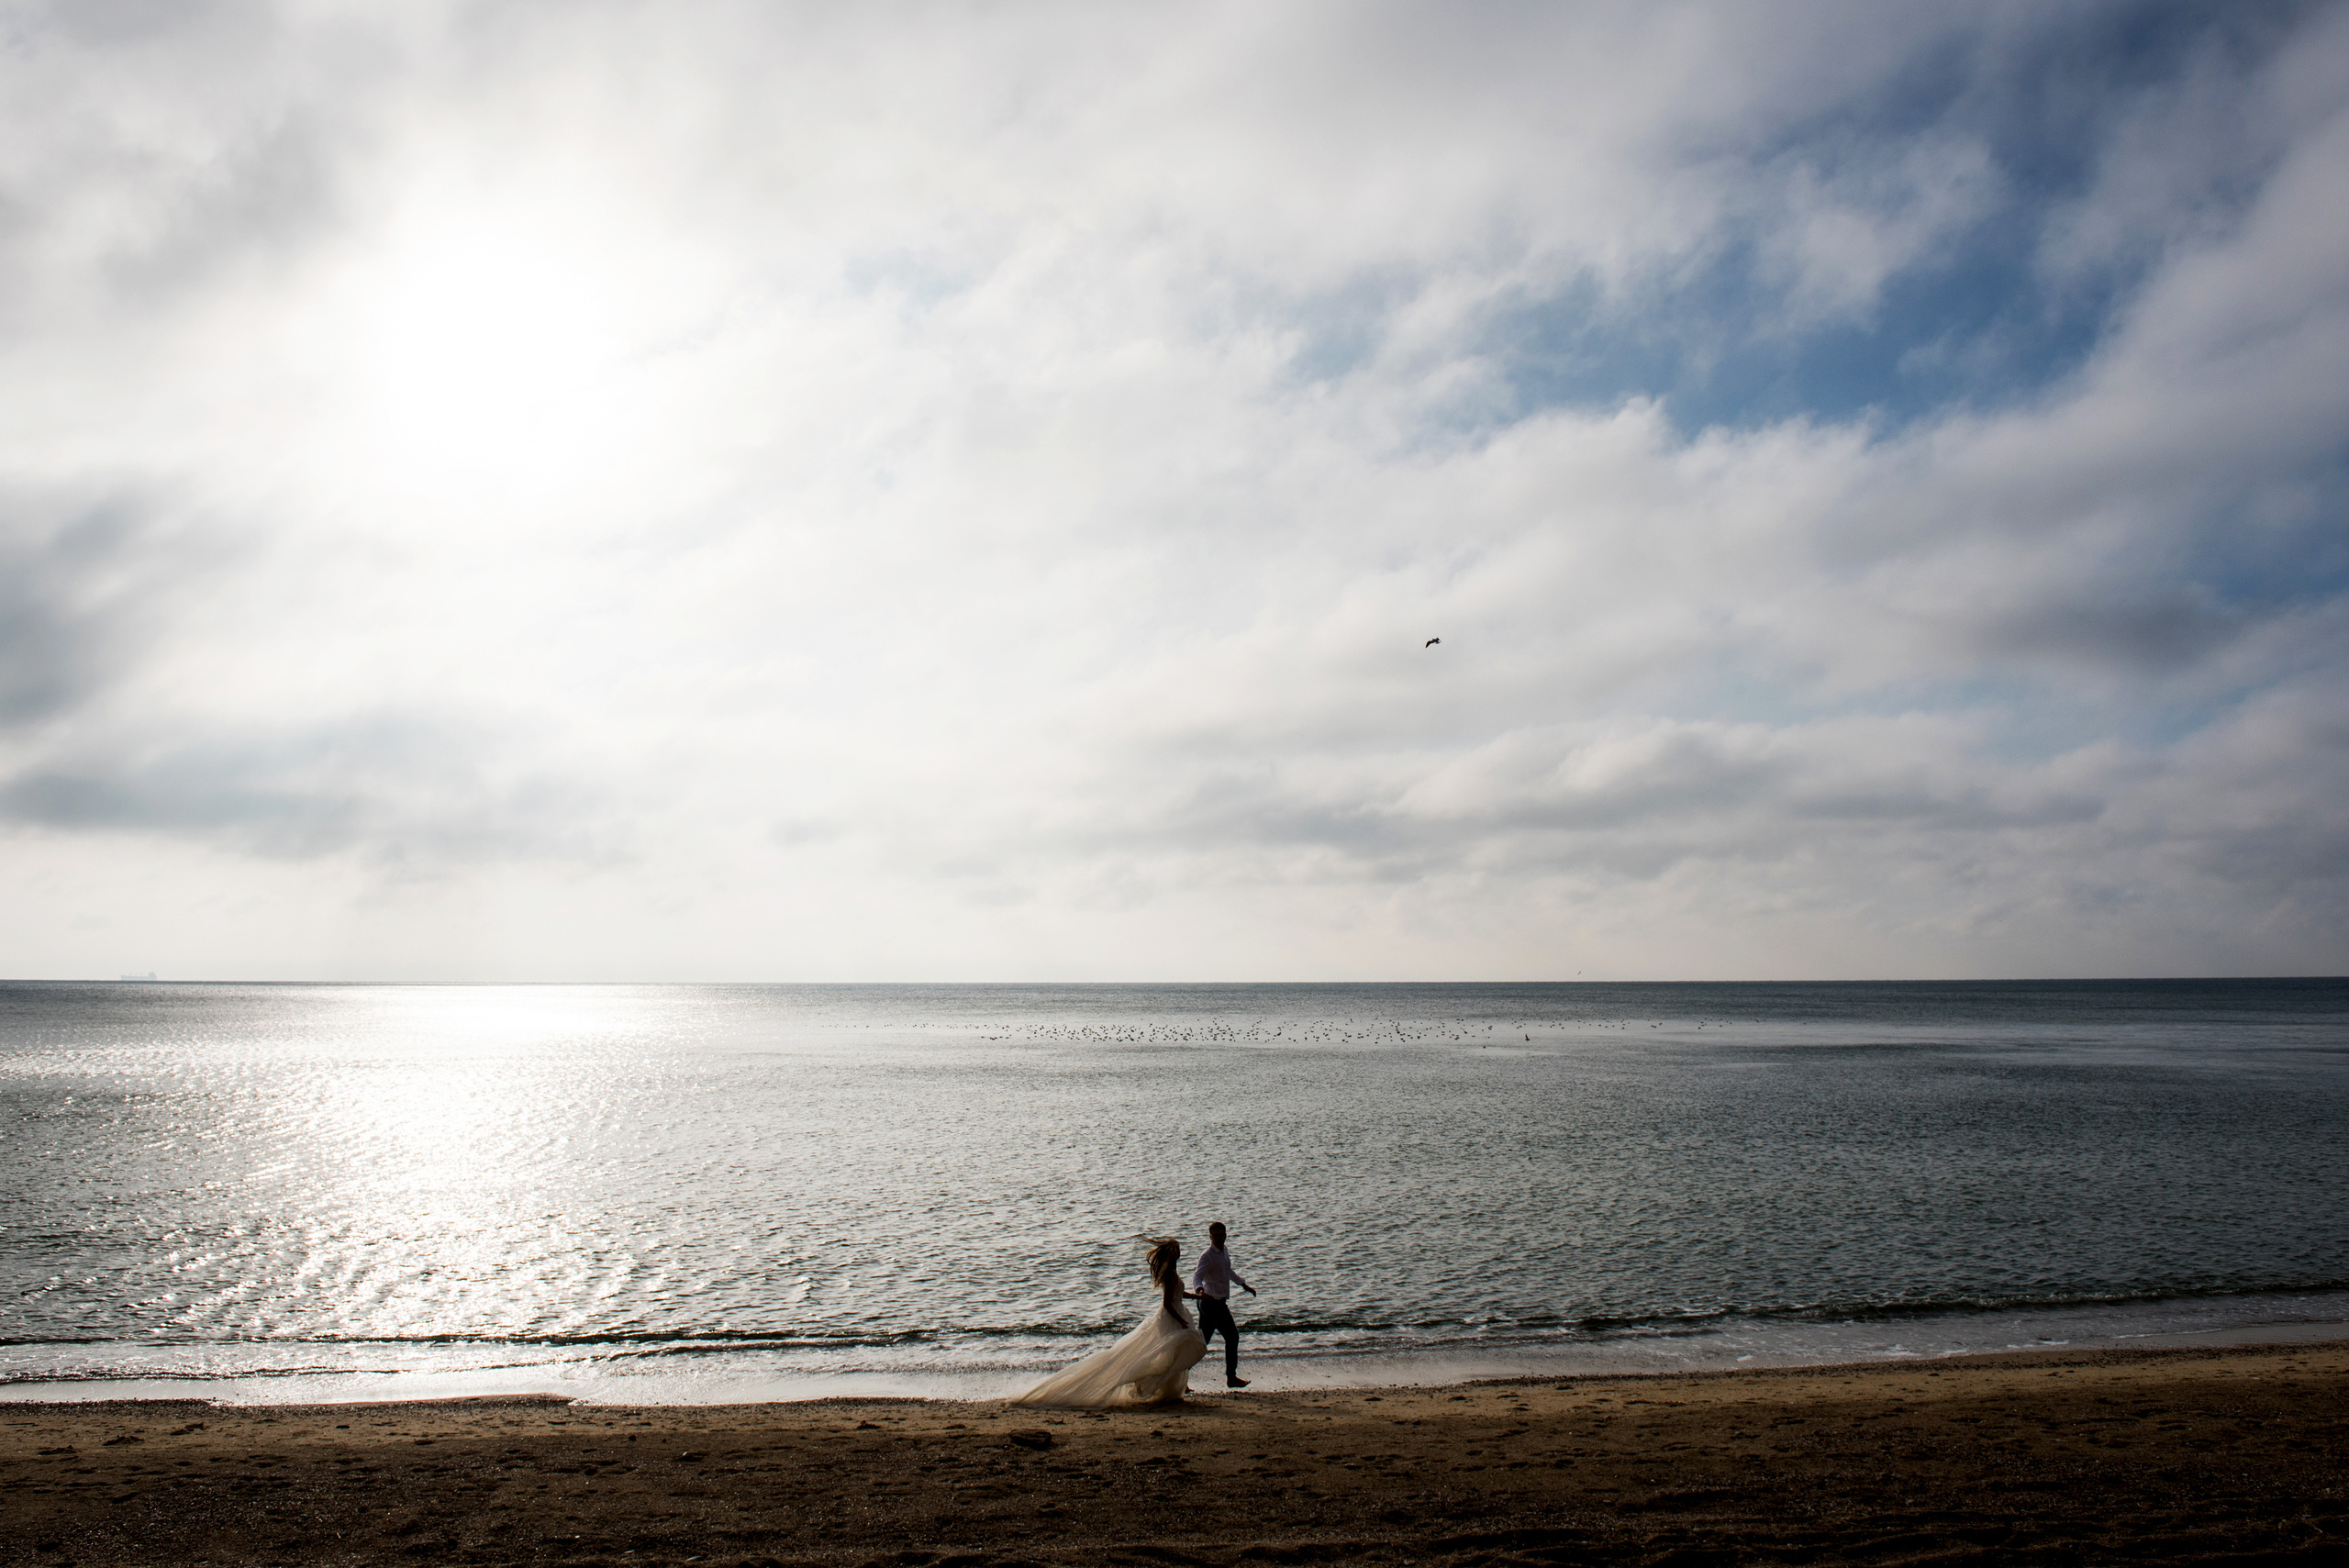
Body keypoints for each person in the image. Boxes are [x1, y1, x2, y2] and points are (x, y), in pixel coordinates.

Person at [1009, 1236, 1207, 1407]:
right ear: (1173, 1254)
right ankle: (1150, 1385)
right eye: (1177, 1250)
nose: (1180, 1253)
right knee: (1164, 1355)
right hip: (1172, 1318)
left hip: (1177, 1315)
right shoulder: (1170, 1275)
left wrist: (1197, 1297)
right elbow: (1167, 1304)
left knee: (1171, 1355)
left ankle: (1168, 1390)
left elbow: (1178, 1294)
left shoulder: (1172, 1273)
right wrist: (1181, 1321)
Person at [1192, 1219, 1255, 1388]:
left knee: (1203, 1343)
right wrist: (1199, 1290)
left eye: (1221, 1235)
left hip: (1216, 1302)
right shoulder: (1207, 1255)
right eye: (1216, 1236)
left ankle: (1180, 1375)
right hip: (1210, 1303)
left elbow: (1228, 1271)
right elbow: (1197, 1276)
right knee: (1232, 1337)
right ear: (1210, 1237)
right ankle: (1231, 1378)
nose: (1219, 1238)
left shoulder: (1224, 1251)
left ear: (1225, 1235)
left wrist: (1244, 1285)